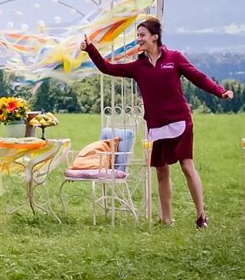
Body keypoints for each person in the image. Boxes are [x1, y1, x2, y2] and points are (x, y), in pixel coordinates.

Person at [80, 18, 233, 228]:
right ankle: (166, 219)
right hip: (155, 125)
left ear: (155, 37)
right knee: (161, 171)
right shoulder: (137, 67)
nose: (139, 39)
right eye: (138, 35)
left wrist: (220, 91)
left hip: (180, 121)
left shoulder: (174, 58)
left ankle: (201, 215)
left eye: (142, 35)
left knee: (187, 166)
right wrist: (90, 49)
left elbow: (197, 77)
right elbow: (107, 68)